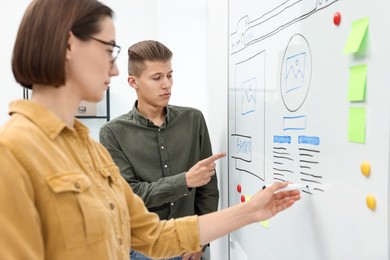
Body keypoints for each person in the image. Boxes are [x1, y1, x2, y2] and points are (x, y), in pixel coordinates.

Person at [0, 0, 301, 259]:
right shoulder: (12, 153)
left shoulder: (90, 151)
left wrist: (251, 211)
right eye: (109, 50)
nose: (116, 68)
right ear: (69, 45)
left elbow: (153, 235)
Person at [99, 40, 219, 260]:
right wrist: (184, 181)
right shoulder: (112, 133)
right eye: (157, 78)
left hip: (189, 248)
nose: (167, 84)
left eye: (169, 75)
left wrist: (200, 241)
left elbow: (208, 189)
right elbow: (129, 195)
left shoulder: (194, 120)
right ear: (133, 82)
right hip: (142, 251)